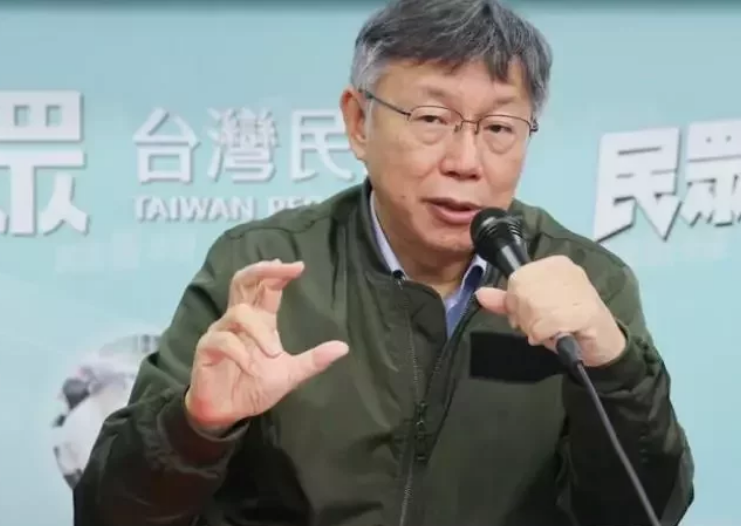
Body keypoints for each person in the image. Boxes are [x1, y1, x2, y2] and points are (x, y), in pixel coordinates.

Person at [73, 0, 695, 525]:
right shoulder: (266, 270)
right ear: (358, 122)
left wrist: (614, 369)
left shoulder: (585, 285)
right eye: (432, 118)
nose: (465, 161)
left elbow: (646, 512)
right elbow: (107, 512)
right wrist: (197, 428)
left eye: (500, 128)